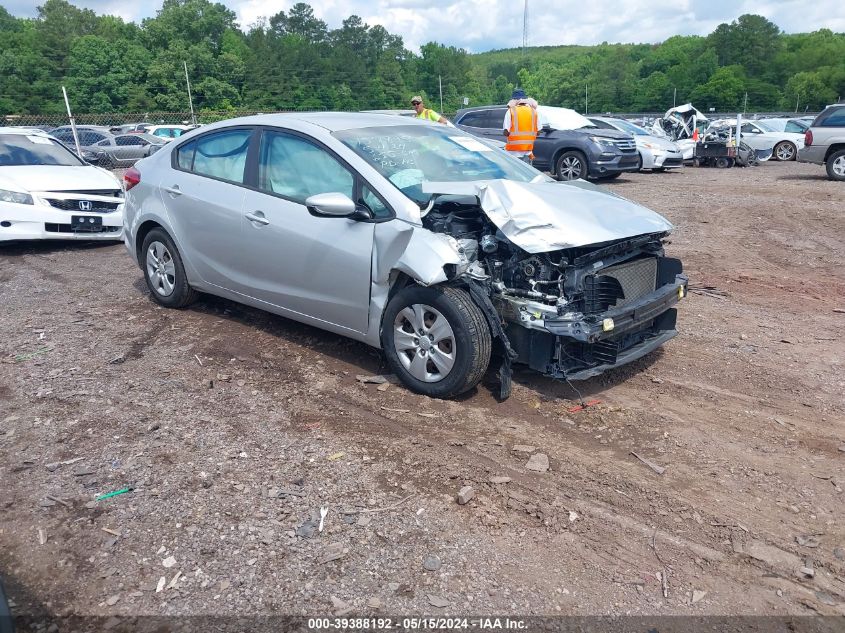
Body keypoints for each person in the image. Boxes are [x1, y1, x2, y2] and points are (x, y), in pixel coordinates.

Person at [502, 89, 539, 162]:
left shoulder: (511, 111)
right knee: (527, 172)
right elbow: (539, 131)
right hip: (528, 152)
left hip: (512, 153)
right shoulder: (534, 112)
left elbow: (506, 131)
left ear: (514, 100)